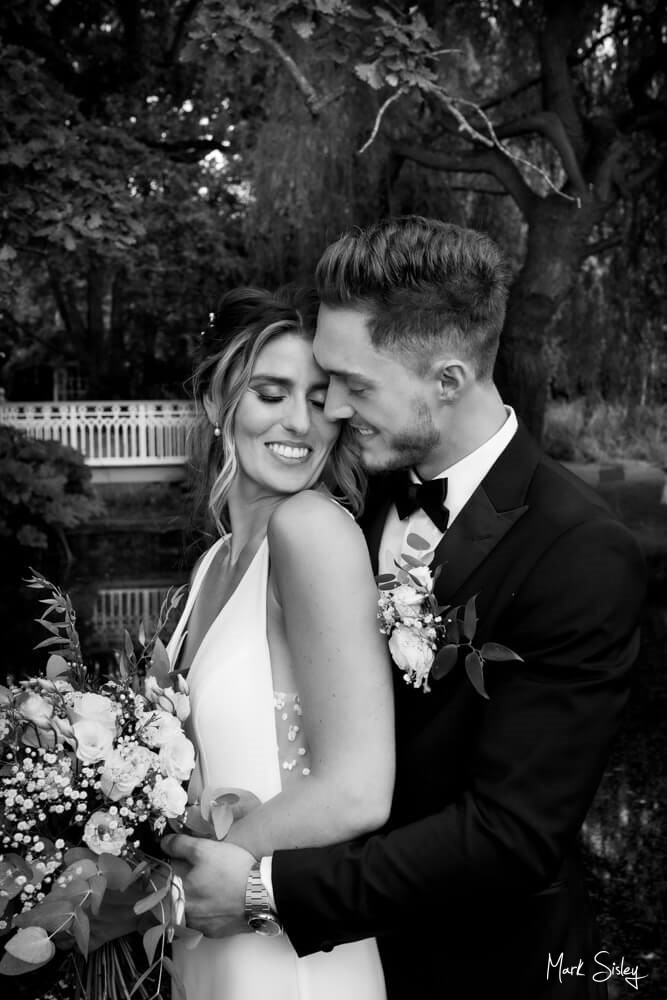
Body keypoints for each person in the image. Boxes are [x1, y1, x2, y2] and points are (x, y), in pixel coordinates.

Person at [163, 218, 646, 1000]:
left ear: (446, 380)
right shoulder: (352, 496)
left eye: (352, 385)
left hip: (485, 969)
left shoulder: (579, 551)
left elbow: (511, 833)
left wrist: (263, 888)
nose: (331, 411)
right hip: (336, 959)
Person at [165, 287, 393, 1000]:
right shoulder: (213, 564)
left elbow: (357, 792)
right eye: (271, 394)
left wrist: (192, 881)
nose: (300, 421)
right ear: (216, 402)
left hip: (291, 957)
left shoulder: (312, 529)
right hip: (209, 948)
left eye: (320, 399)